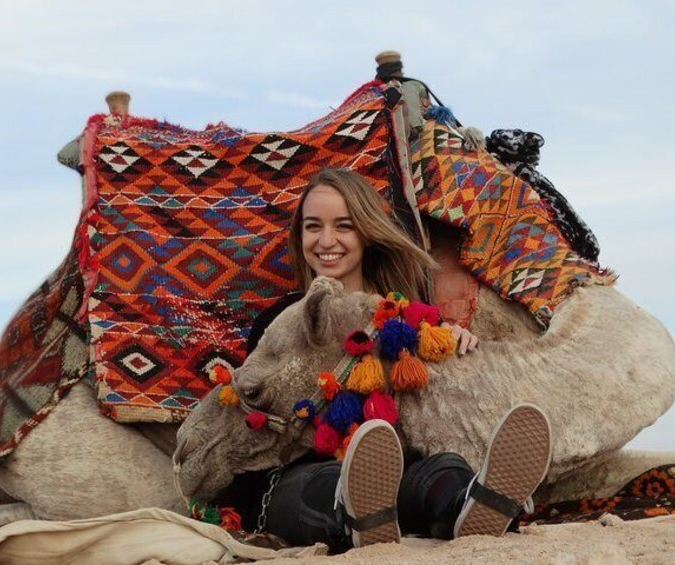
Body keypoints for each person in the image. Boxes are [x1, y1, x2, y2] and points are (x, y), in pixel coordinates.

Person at [215, 168, 551, 552]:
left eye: (344, 226)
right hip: (298, 481)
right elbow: (251, 419)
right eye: (313, 227)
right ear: (300, 236)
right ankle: (356, 517)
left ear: (366, 232)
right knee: (327, 485)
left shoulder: (404, 319)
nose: (326, 241)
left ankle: (470, 505)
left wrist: (452, 343)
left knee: (443, 469)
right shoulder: (281, 322)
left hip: (394, 478)